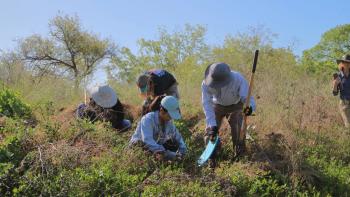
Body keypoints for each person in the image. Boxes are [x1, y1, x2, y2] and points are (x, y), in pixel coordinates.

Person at [201, 62, 256, 165]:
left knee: (238, 129)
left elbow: (248, 99)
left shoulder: (238, 79)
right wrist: (212, 126)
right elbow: (207, 104)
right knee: (210, 132)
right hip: (216, 106)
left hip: (235, 105)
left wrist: (250, 108)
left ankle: (239, 155)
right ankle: (212, 157)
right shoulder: (205, 83)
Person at [129, 96, 187, 161]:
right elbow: (147, 140)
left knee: (174, 145)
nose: (171, 118)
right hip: (140, 147)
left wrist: (183, 151)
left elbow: (177, 137)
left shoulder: (168, 122)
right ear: (162, 111)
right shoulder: (148, 119)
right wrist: (166, 153)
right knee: (143, 146)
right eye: (169, 115)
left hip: (156, 147)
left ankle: (163, 159)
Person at [333, 54, 350, 128]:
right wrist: (335, 84)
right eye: (345, 62)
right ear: (342, 63)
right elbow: (335, 93)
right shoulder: (338, 76)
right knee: (348, 125)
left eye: (348, 62)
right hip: (344, 104)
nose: (347, 64)